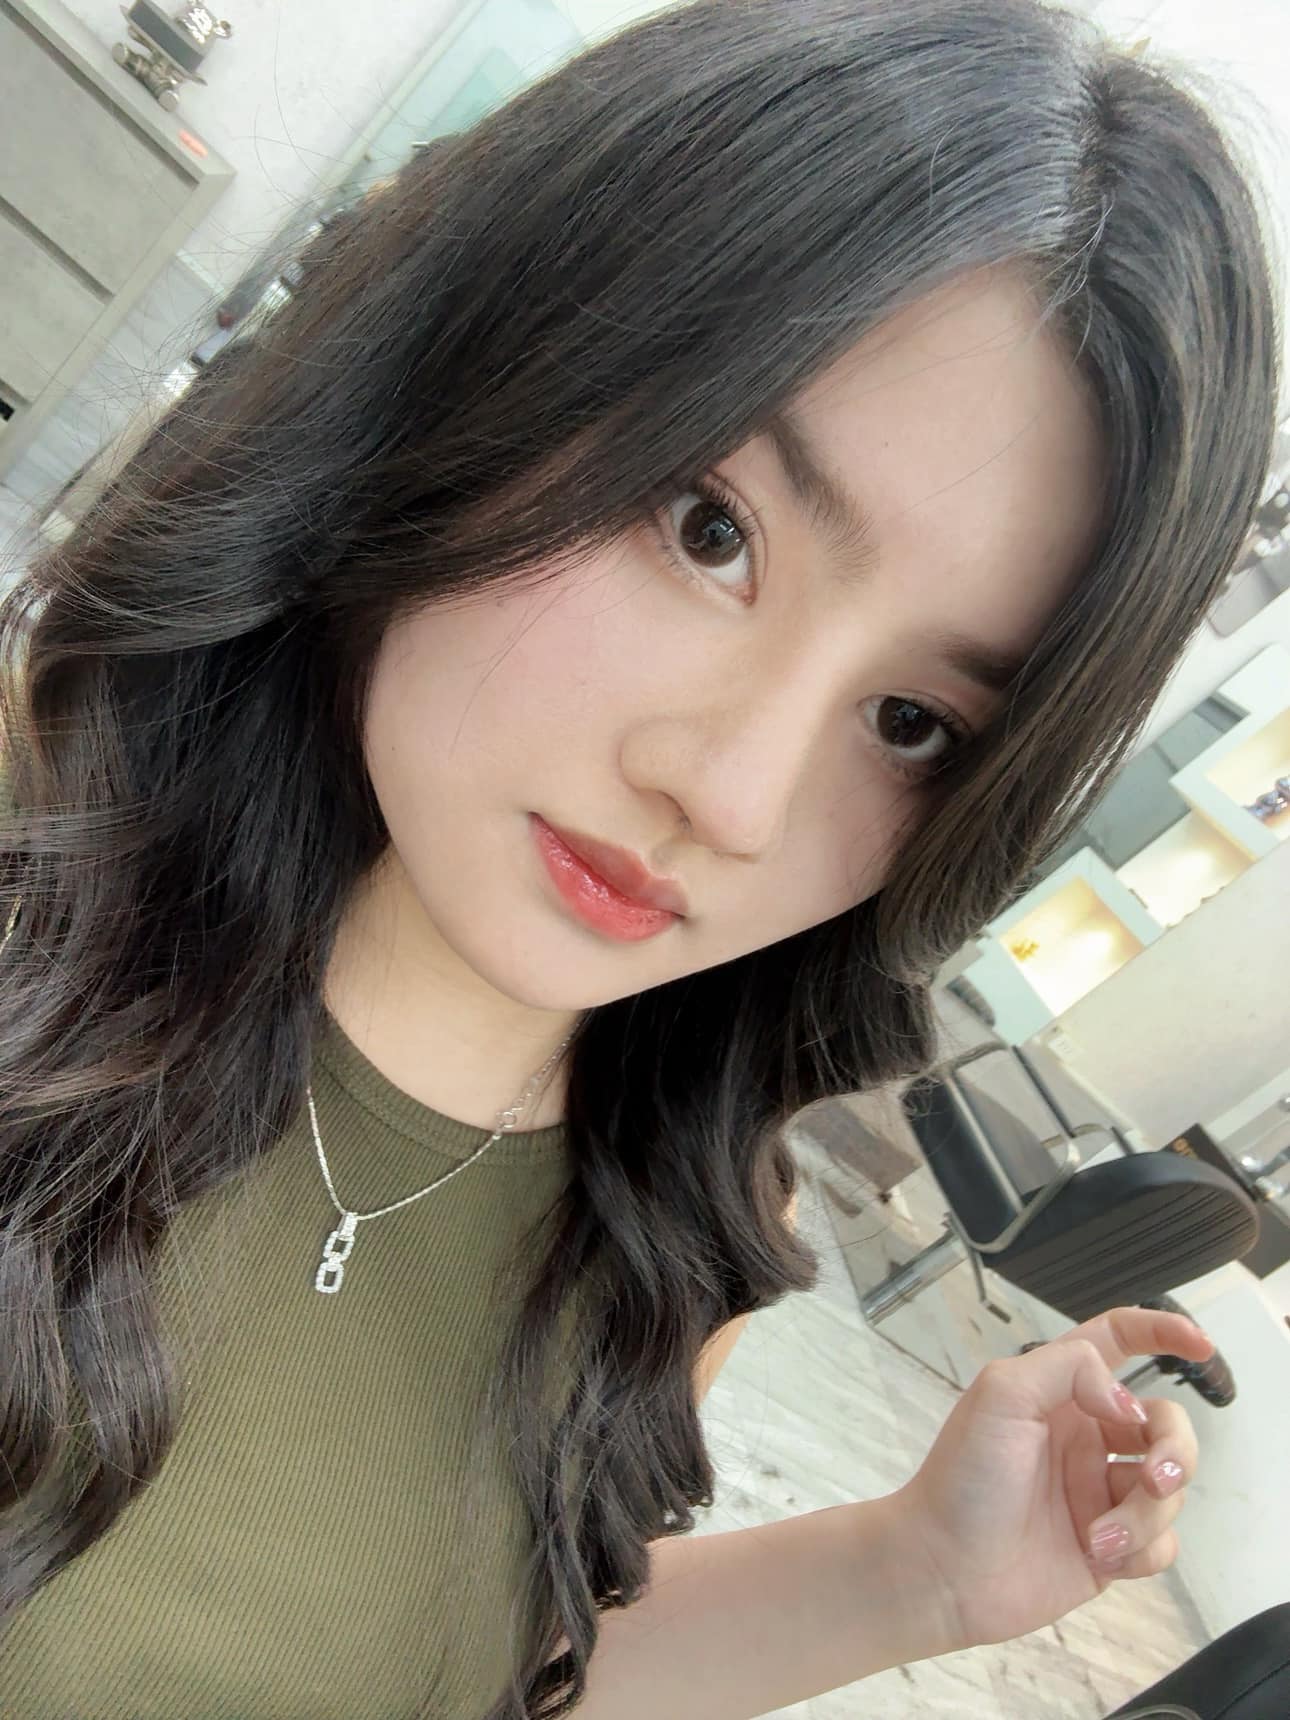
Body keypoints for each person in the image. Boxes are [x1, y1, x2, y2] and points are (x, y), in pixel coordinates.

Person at [0, 1, 1278, 1715]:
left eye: (911, 723)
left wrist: (902, 1572)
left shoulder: (672, 1229)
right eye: (709, 530)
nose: (734, 796)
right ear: (483, 353)